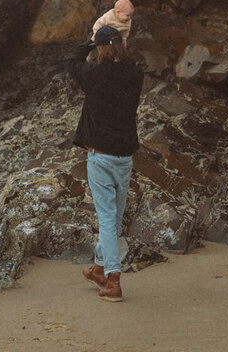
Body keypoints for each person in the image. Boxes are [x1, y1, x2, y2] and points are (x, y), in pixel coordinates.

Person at [67, 25, 144, 302]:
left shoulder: (94, 76)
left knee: (107, 219)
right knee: (114, 218)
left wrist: (89, 40)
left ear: (100, 48)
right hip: (125, 158)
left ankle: (113, 280)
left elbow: (72, 61)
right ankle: (100, 268)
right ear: (122, 46)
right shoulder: (136, 74)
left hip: (100, 157)